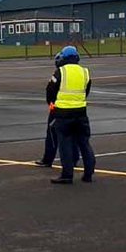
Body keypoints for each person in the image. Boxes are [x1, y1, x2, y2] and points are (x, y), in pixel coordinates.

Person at [46, 45, 95, 184]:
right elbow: (86, 91)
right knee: (84, 143)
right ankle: (88, 173)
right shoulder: (85, 72)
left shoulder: (60, 72)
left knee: (65, 144)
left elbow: (50, 90)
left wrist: (52, 103)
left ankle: (67, 175)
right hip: (81, 112)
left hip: (63, 113)